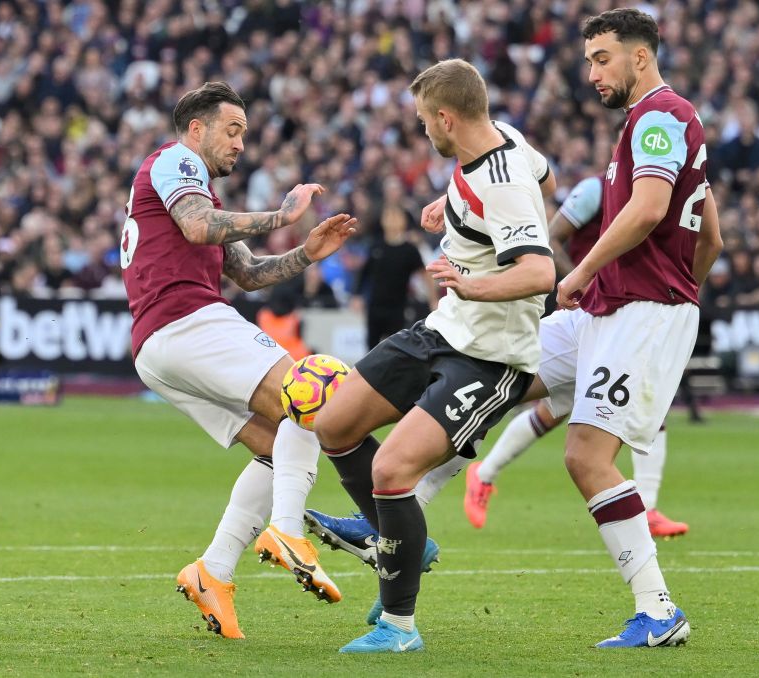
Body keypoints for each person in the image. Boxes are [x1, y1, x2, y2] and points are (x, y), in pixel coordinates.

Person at [312, 58, 556, 653]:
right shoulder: (506, 142)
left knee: (391, 471)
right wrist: (452, 215)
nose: (424, 132)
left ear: (447, 117)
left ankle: (399, 628)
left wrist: (473, 281)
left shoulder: (502, 183)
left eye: (425, 122)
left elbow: (540, 270)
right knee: (334, 424)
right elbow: (546, 182)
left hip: (490, 356)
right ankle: (407, 544)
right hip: (443, 329)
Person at [120, 81, 357, 639]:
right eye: (232, 131)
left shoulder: (199, 189)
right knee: (315, 387)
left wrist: (306, 253)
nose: (240, 144)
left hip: (160, 346)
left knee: (282, 444)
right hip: (186, 321)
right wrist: (283, 216)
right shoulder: (175, 161)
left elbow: (247, 274)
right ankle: (286, 530)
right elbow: (197, 227)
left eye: (244, 134)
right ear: (196, 129)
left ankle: (214, 571)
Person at [532, 9, 722, 648]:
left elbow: (648, 209)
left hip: (638, 309)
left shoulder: (660, 117)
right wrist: (681, 284)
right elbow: (712, 235)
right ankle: (400, 510)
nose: (592, 73)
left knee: (587, 456)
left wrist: (588, 272)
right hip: (618, 307)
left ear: (640, 57)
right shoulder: (658, 122)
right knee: (498, 361)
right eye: (589, 60)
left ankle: (659, 609)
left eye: (602, 58)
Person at [463, 175, 688, 537]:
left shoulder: (656, 195)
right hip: (583, 310)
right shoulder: (596, 190)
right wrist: (584, 278)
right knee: (560, 410)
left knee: (621, 401)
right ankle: (468, 470)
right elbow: (551, 238)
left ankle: (483, 473)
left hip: (620, 316)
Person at [352, 204, 439, 350]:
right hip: (375, 306)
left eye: (396, 216)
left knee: (397, 349)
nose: (392, 220)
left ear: (403, 221)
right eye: (388, 216)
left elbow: (425, 274)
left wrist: (433, 299)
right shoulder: (376, 246)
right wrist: (357, 295)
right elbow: (364, 273)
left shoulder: (409, 250)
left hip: (398, 308)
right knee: (371, 348)